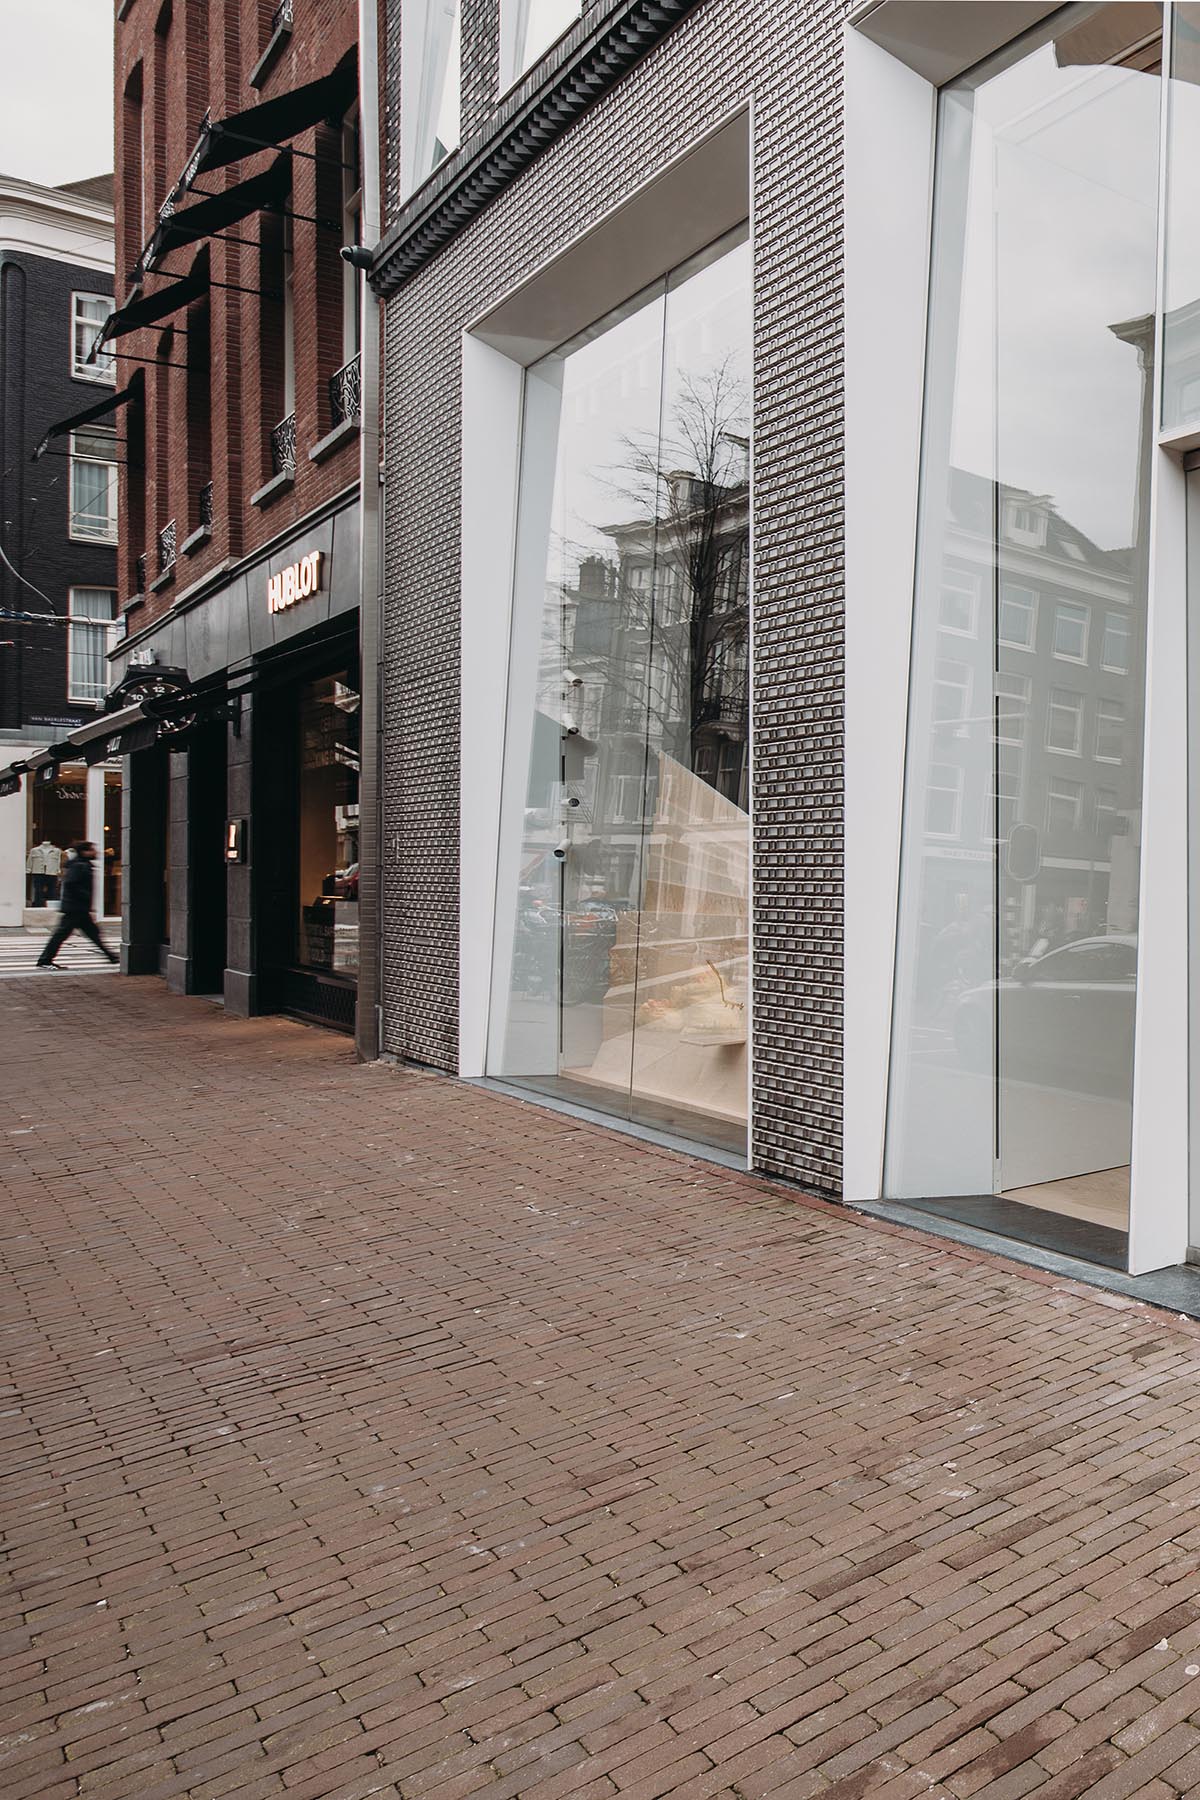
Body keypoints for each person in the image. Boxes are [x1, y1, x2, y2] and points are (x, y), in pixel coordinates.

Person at [36, 843, 118, 968]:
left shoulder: (82, 865)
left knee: (92, 934)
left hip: (77, 908)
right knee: (62, 935)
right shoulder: (80, 866)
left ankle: (111, 957)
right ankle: (44, 960)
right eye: (92, 850)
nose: (96, 852)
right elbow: (71, 884)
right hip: (75, 908)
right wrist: (84, 898)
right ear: (85, 852)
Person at [26, 838, 62, 907]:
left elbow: (58, 861)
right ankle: (38, 905)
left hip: (52, 872)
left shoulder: (56, 851)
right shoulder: (34, 850)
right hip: (37, 872)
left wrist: (58, 870)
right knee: (38, 891)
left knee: (52, 890)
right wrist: (28, 869)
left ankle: (51, 905)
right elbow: (30, 860)